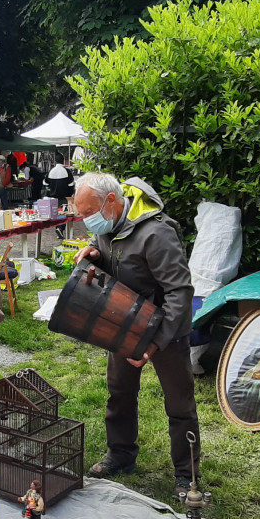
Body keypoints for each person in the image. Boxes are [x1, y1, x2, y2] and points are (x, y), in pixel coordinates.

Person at [73, 173, 199, 496]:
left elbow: (180, 292)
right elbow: (108, 247)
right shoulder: (109, 224)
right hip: (125, 322)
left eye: (89, 214)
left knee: (179, 405)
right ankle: (121, 455)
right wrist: (94, 253)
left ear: (111, 202)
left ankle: (187, 476)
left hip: (167, 329)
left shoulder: (157, 233)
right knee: (120, 393)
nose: (87, 222)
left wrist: (156, 342)